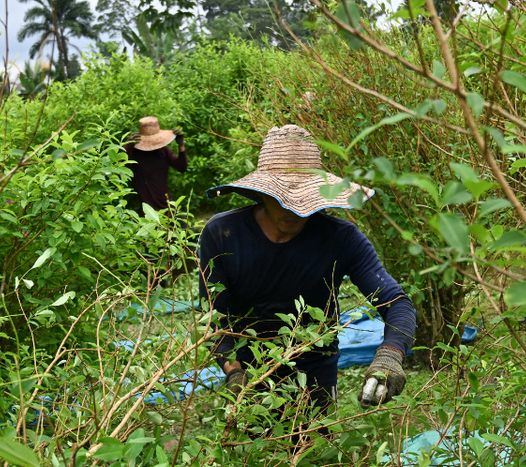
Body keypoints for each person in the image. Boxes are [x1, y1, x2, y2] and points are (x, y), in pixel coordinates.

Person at [199, 124, 416, 413]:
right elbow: (213, 316)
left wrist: (390, 355)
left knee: (313, 452)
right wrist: (234, 371)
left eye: (303, 199)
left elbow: (396, 303)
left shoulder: (341, 238)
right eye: (282, 198)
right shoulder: (222, 234)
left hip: (315, 373)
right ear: (263, 193)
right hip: (249, 372)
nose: (292, 211)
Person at [124, 116, 187, 215]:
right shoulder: (135, 152)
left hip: (168, 206)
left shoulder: (162, 151)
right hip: (149, 211)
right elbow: (120, 170)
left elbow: (182, 167)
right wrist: (128, 145)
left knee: (189, 229)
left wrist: (181, 145)